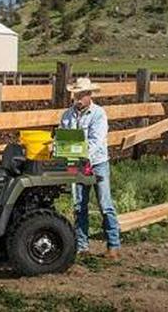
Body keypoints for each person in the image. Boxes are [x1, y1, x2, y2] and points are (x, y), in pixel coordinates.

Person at [60, 77, 121, 259]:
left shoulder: (98, 114)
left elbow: (96, 141)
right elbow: (64, 139)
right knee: (79, 205)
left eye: (81, 95)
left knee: (105, 204)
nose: (78, 99)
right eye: (76, 95)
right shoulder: (67, 115)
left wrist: (77, 153)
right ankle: (82, 245)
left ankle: (113, 245)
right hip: (77, 164)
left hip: (97, 163)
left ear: (89, 95)